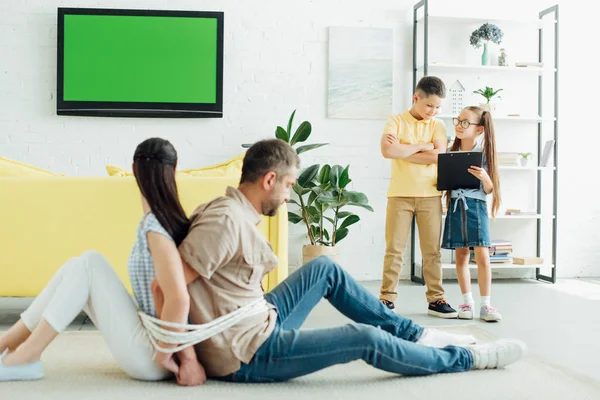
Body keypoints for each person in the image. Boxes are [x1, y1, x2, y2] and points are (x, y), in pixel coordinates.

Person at [158, 138, 526, 383]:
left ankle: (420, 335)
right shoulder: (225, 220)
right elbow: (167, 286)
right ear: (269, 180)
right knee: (363, 338)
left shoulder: (233, 210)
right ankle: (465, 358)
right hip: (247, 351)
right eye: (288, 186)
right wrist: (186, 357)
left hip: (257, 316)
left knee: (324, 268)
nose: (289, 196)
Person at [0, 138, 205, 386]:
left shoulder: (155, 228)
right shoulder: (161, 221)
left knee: (89, 264)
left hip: (152, 356)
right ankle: (8, 343)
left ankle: (26, 357)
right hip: (151, 341)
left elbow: (178, 298)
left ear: (133, 170)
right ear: (174, 171)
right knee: (81, 264)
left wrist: (184, 359)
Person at [379, 76, 457, 318]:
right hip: (399, 195)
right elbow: (388, 151)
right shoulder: (395, 121)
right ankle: (386, 299)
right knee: (394, 250)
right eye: (429, 106)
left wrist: (405, 149)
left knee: (432, 251)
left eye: (438, 107)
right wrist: (423, 146)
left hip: (430, 195)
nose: (433, 111)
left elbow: (439, 156)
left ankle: (436, 299)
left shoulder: (438, 125)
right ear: (416, 98)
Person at [442, 106, 503, 322]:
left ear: (479, 130)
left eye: (465, 122)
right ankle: (467, 302)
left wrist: (485, 177)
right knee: (461, 256)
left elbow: (489, 189)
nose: (459, 125)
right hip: (457, 207)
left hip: (477, 207)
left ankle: (486, 305)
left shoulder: (485, 154)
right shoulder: (449, 151)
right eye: (458, 120)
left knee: (483, 256)